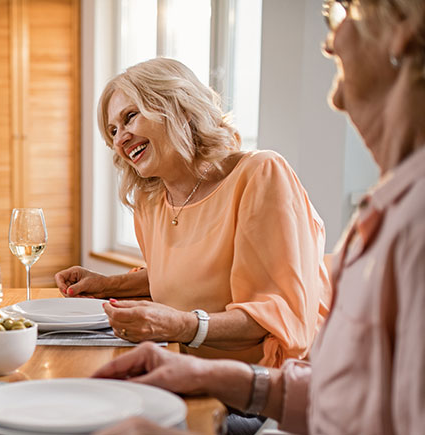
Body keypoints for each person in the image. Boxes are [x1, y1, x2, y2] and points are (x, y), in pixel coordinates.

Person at [94, 0, 425, 433]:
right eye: (111, 130)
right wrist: (201, 372)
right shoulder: (390, 205)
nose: (328, 41)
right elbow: (347, 400)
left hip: (256, 405)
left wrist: (185, 332)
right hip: (241, 386)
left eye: (340, 13)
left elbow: (290, 329)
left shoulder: (411, 222)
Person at [54, 58, 331, 367]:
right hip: (180, 365)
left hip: (259, 383)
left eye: (130, 117)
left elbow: (277, 316)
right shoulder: (151, 201)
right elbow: (186, 279)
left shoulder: (260, 175)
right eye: (113, 131)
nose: (119, 139)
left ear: (179, 108)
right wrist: (107, 285)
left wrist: (182, 326)